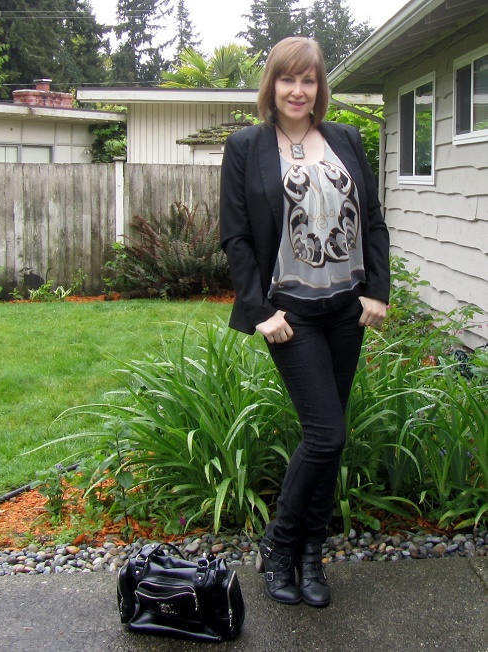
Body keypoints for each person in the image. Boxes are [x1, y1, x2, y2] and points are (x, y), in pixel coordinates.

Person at [219, 37, 390, 608]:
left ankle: (311, 554)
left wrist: (378, 291)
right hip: (290, 313)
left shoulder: (346, 139)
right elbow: (236, 237)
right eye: (288, 79)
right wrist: (259, 311)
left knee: (330, 441)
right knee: (326, 434)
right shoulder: (246, 146)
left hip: (347, 308)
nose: (298, 90)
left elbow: (374, 221)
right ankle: (279, 543)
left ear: (320, 88)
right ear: (272, 85)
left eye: (309, 80)